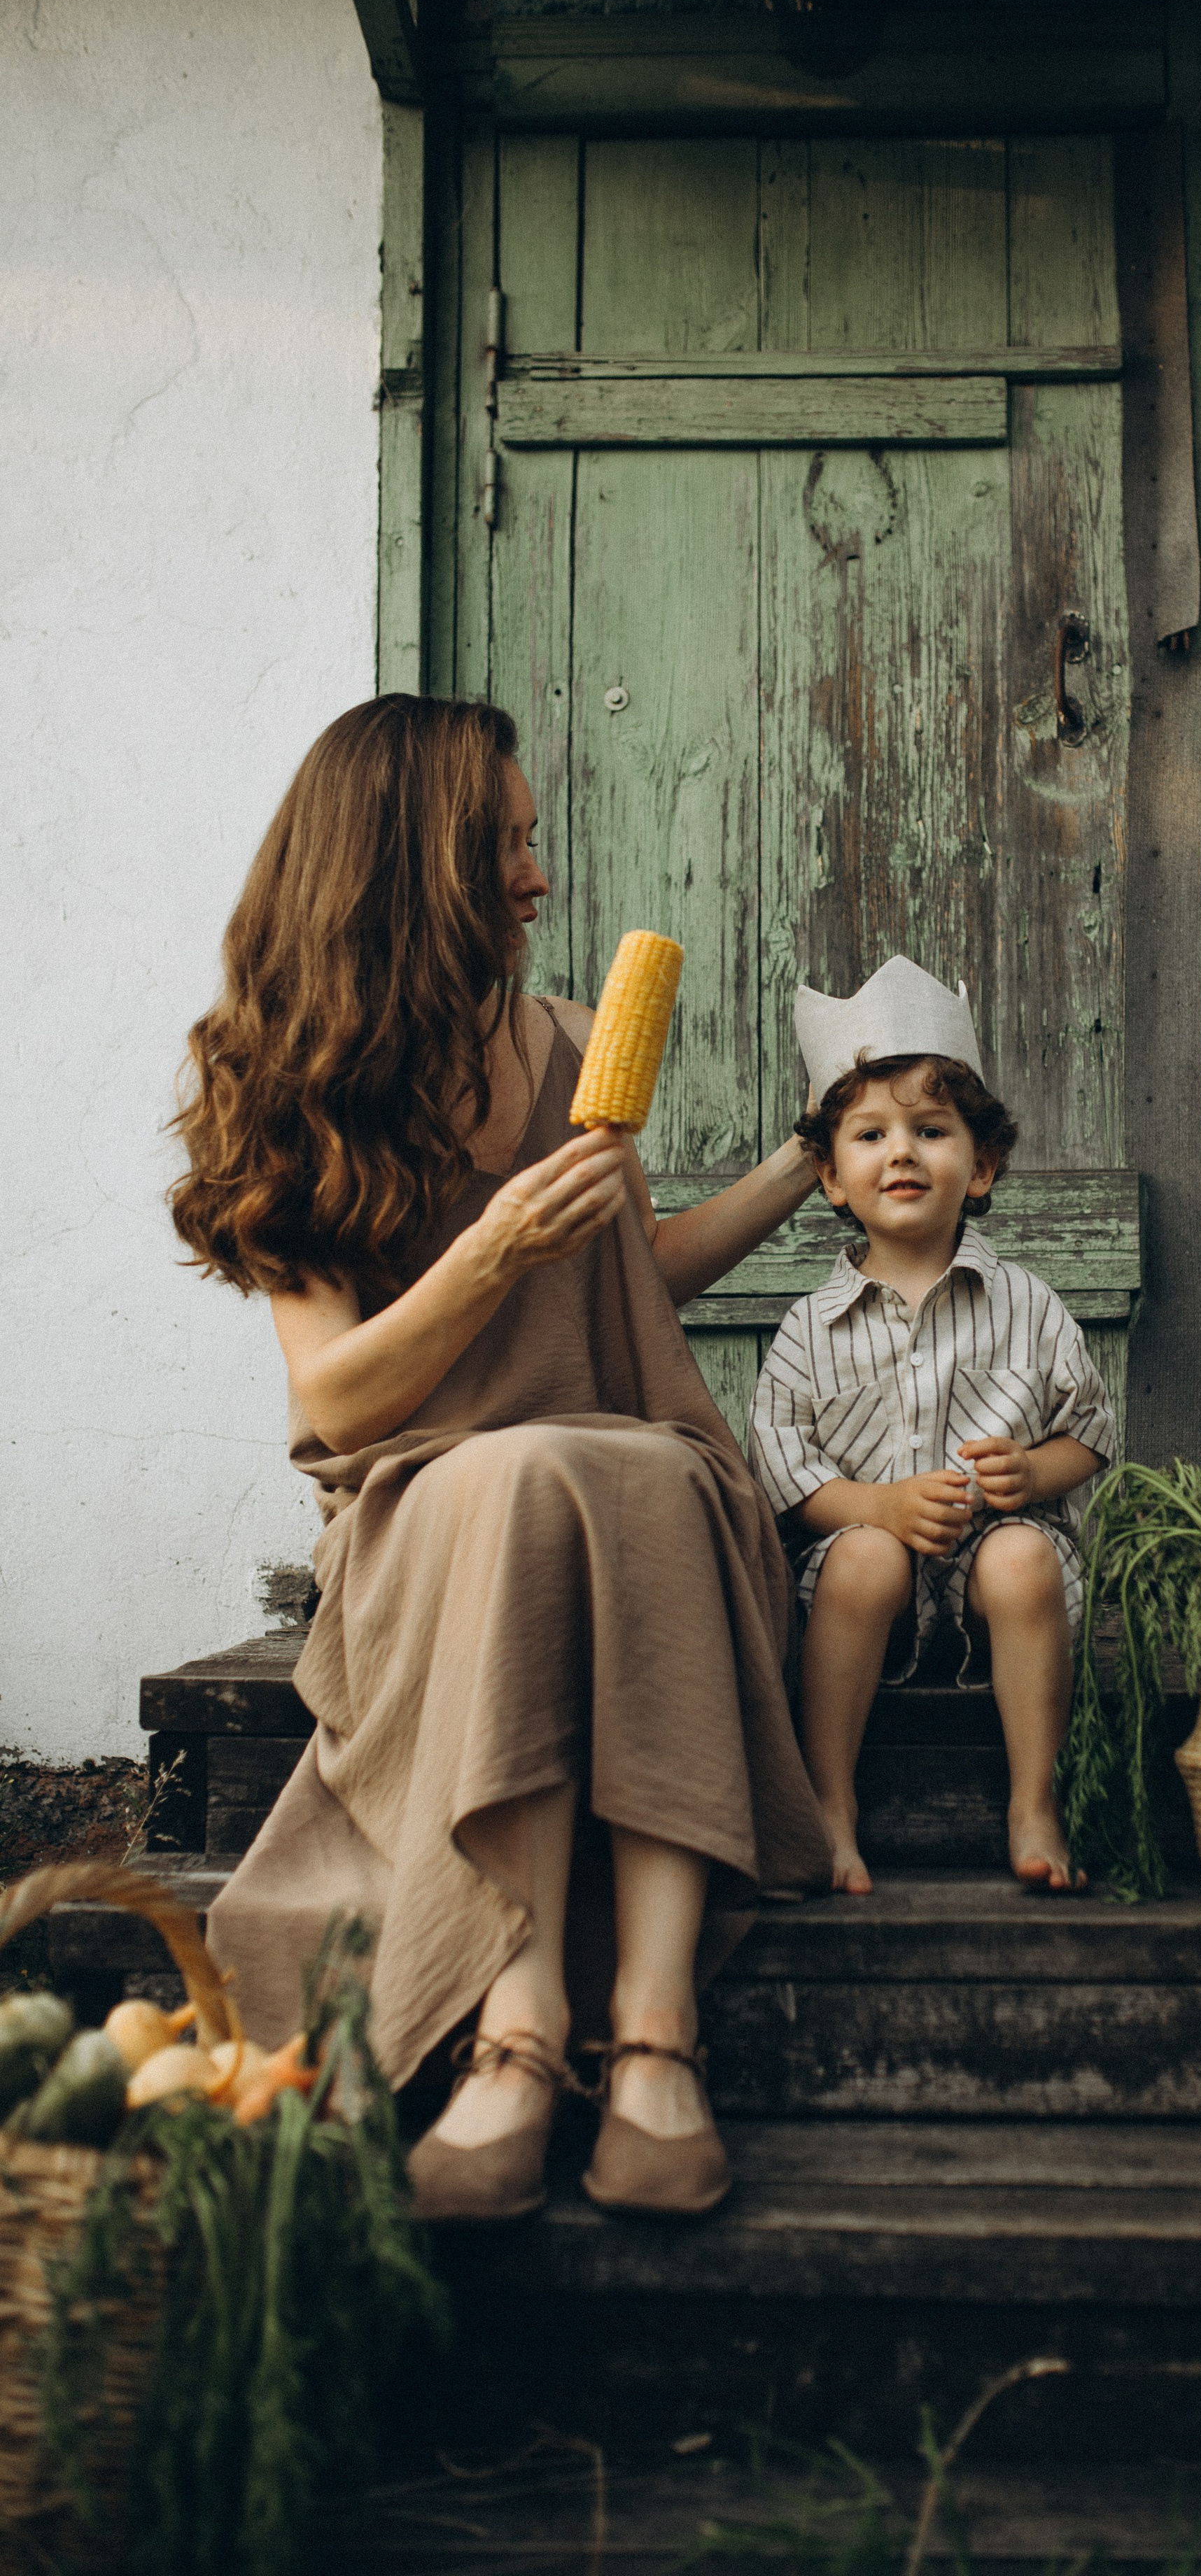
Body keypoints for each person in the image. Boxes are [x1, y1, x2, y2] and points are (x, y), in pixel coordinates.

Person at [169, 694, 831, 2223]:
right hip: (420, 1502)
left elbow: (635, 1274)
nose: (539, 877)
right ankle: (515, 2031)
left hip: (631, 1469)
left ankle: (653, 2031)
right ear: (409, 865)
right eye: (504, 847)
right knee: (529, 1476)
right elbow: (336, 1400)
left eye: (533, 841)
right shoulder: (289, 1077)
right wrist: (486, 1255)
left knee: (645, 1466)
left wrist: (809, 1152)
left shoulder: (574, 1044)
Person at [749, 959, 1115, 1897]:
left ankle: (1034, 1802)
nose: (902, 1153)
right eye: (871, 1134)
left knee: (1022, 1556)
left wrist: (1032, 1475)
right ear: (830, 1177)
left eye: (932, 1130)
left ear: (981, 1166)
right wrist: (878, 1507)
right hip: (862, 1586)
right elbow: (786, 1474)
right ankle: (831, 1807)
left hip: (996, 1579)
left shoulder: (1027, 1306)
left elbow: (1089, 1432)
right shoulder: (809, 1329)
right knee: (864, 1557)